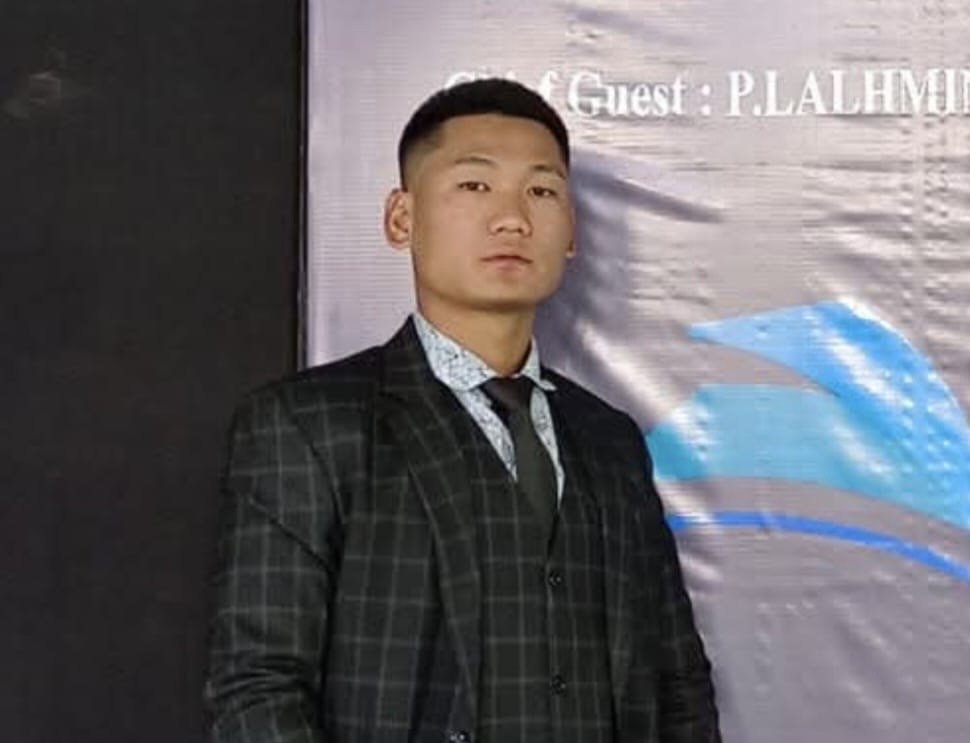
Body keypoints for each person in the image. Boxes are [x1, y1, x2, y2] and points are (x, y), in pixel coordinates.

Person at [204, 77, 720, 743]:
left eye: (541, 191)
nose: (512, 218)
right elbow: (258, 686)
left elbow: (677, 679)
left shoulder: (609, 439)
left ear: (571, 232)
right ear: (401, 217)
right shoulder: (307, 426)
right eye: (475, 185)